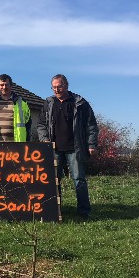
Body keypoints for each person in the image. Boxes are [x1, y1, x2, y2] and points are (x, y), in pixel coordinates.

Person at [37, 74, 98, 219]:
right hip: (55, 149)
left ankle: (84, 211)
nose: (57, 89)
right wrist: (44, 139)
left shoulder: (80, 103)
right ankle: (56, 210)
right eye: (54, 87)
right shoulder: (49, 103)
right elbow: (41, 125)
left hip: (75, 149)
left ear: (66, 85)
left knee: (79, 179)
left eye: (60, 86)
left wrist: (91, 144)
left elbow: (91, 125)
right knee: (54, 180)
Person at [0, 74, 31, 142]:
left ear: (11, 86)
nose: (4, 87)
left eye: (6, 84)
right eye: (2, 85)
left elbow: (28, 125)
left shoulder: (22, 103)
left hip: (16, 146)